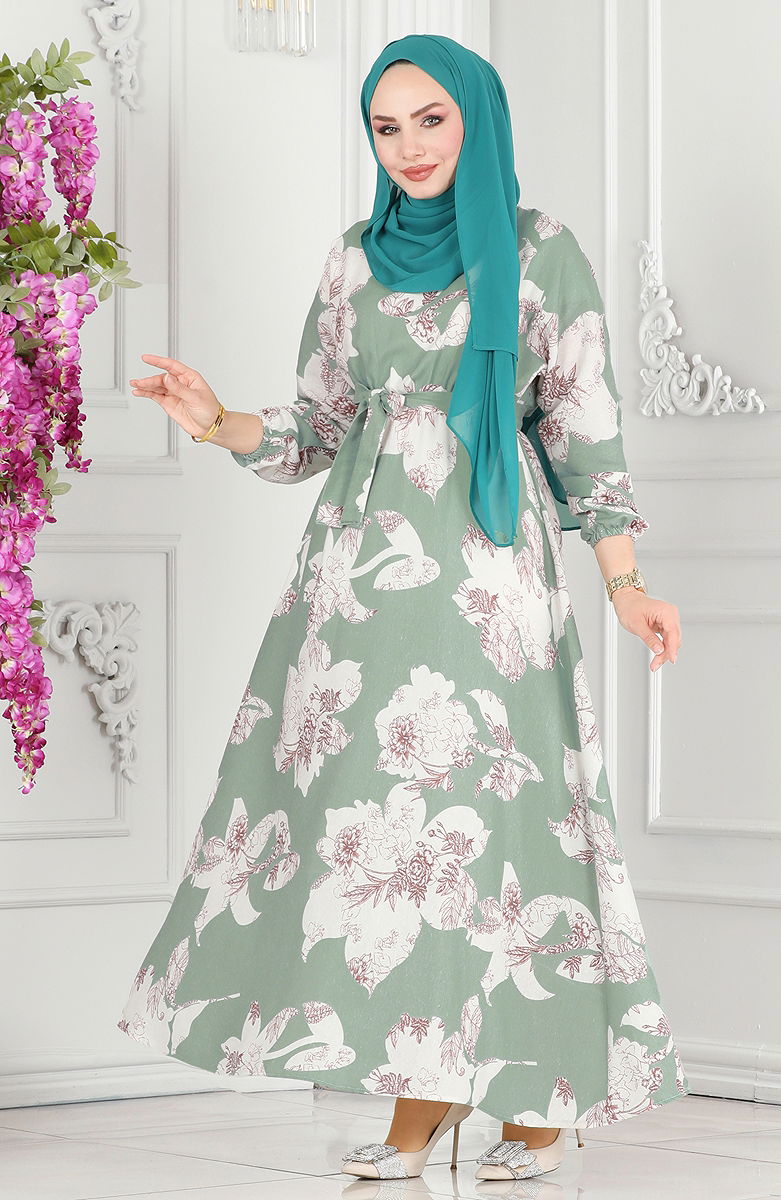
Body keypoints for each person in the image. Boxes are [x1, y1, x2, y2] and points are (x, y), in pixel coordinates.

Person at [121, 33, 686, 1185]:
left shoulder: (539, 253)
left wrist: (624, 585)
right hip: (359, 589)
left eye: (430, 119)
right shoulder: (353, 263)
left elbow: (582, 429)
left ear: (474, 118)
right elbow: (316, 431)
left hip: (487, 587)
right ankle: (420, 1092)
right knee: (385, 840)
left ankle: (537, 1099)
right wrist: (217, 421)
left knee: (498, 831)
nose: (409, 146)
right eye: (386, 126)